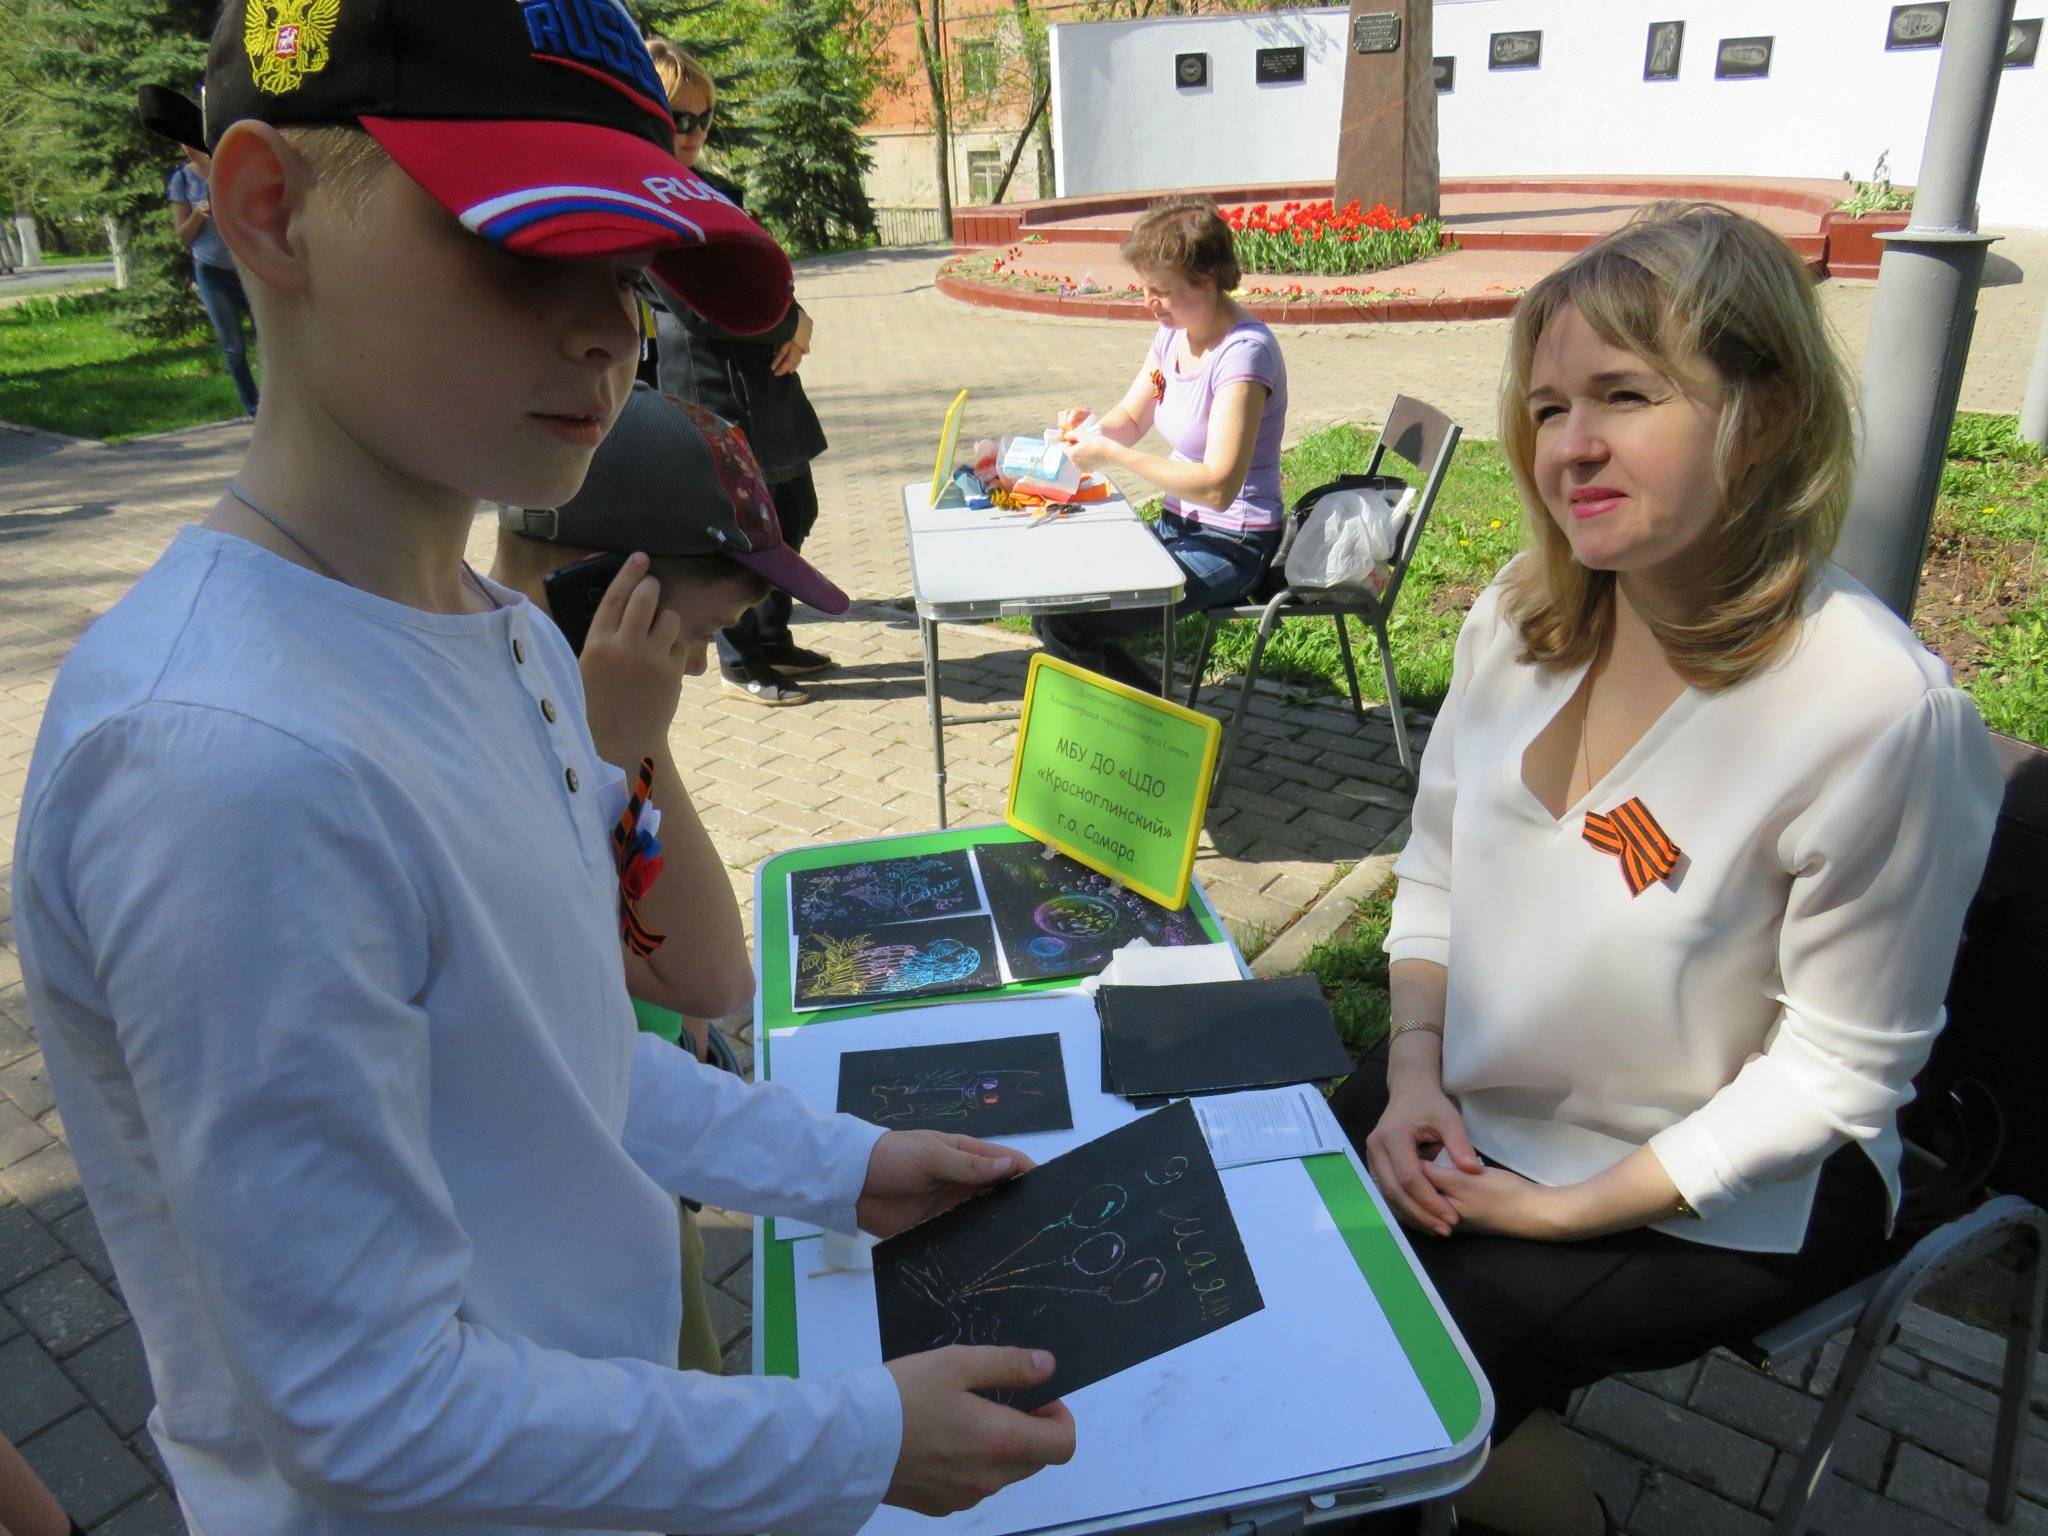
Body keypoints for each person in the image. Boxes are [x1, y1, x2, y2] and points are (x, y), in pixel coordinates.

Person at [11, 5, 1074, 1532]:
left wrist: (841, 1168)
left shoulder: (501, 632)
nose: (610, 333)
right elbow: (367, 1410)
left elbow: (559, 1057)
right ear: (269, 211)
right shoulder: (224, 762)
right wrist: (848, 1442)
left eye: (629, 269)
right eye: (523, 249)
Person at [1329, 203, 2003, 1536]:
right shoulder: (1514, 621)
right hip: (1475, 1103)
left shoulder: (1875, 714)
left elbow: (1833, 1077)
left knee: (1378, 1392)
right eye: (1548, 406)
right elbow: (1437, 869)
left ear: (1769, 409)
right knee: (1271, 1251)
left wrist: (1564, 1214)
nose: (1568, 445)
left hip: (1718, 1193)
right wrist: (1411, 1074)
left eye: (1624, 396)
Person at [489, 381, 852, 1373]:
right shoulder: (521, 739)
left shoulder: (565, 701)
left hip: (650, 1134)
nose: (694, 667)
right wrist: (628, 743)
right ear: (614, 596)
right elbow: (711, 974)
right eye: (699, 631)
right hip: (580, 1227)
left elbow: (691, 987)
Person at [1034, 196, 1288, 694]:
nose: (1149, 302)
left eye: (1162, 291)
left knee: (1070, 624)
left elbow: (1217, 488)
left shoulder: (1244, 355)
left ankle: (1152, 726)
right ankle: (1149, 718)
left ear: (1207, 281)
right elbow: (1131, 417)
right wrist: (1090, 431)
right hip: (1179, 527)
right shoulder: (1173, 334)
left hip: (1233, 543)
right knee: (1052, 608)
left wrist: (1112, 455)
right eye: (1145, 288)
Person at [643, 39, 832, 708]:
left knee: (795, 511)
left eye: (703, 118)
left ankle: (772, 635)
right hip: (709, 386)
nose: (692, 132)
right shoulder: (643, 199)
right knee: (739, 532)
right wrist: (791, 324)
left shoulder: (715, 190)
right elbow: (701, 309)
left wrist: (794, 315)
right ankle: (738, 657)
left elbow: (760, 276)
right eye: (678, 117)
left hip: (767, 383)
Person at [165, 144, 259, 416]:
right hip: (211, 271)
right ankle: (254, 406)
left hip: (247, 267)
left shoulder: (229, 168)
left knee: (268, 338)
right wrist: (197, 215)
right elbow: (183, 236)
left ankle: (282, 404)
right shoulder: (182, 179)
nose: (187, 147)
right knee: (234, 346)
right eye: (183, 143)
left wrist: (211, 167)